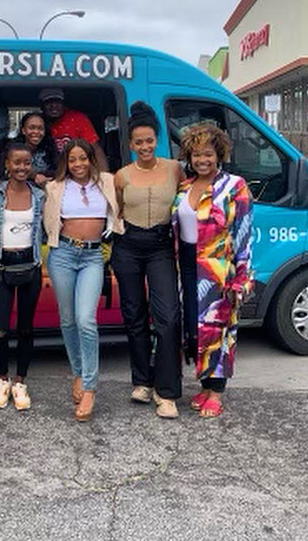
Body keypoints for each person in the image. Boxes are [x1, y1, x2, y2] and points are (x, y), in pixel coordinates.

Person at [172, 121, 253, 418]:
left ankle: (217, 390)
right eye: (196, 155)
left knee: (218, 328)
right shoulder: (184, 187)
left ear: (218, 154)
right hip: (187, 266)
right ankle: (205, 386)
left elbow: (244, 234)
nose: (202, 160)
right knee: (196, 328)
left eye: (207, 154)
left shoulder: (234, 186)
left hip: (219, 269)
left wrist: (241, 278)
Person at [112, 102, 186, 419]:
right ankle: (141, 380)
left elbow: (189, 200)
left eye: (149, 140)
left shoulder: (174, 168)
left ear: (157, 139)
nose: (144, 146)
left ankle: (166, 391)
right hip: (128, 244)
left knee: (168, 316)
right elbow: (115, 212)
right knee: (134, 314)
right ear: (130, 144)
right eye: (138, 142)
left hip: (160, 245)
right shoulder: (121, 175)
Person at [44, 138, 120, 421]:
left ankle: (89, 386)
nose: (78, 164)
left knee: (86, 319)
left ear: (91, 159)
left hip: (92, 257)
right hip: (63, 254)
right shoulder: (54, 187)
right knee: (68, 320)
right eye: (72, 159)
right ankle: (77, 372)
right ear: (66, 162)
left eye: (83, 158)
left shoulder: (108, 182)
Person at [0, 142, 46, 411]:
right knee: (0, 329)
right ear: (7, 164)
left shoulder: (39, 196)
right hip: (2, 266)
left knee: (25, 328)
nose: (22, 167)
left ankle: (20, 381)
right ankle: (3, 379)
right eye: (17, 162)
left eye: (27, 163)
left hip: (30, 265)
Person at [39, 88, 108, 170]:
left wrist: (104, 176)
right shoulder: (38, 122)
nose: (54, 106)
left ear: (64, 104)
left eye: (58, 102)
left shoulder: (77, 118)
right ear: (42, 106)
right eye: (49, 102)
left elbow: (95, 148)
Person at [0, 111, 58, 186]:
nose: (36, 132)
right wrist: (34, 176)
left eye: (40, 128)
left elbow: (58, 171)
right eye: (32, 128)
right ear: (23, 130)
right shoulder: (12, 148)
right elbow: (2, 175)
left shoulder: (50, 148)